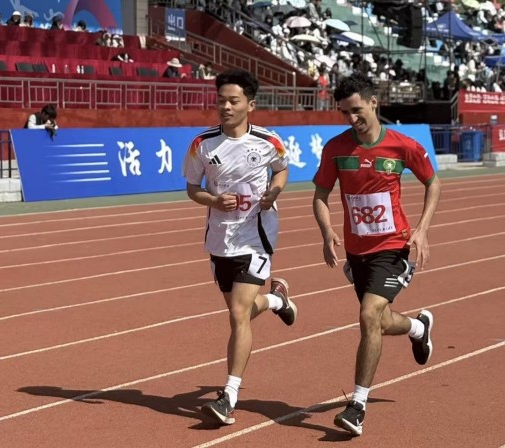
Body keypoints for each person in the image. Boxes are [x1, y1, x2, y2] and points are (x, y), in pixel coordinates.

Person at [312, 72, 441, 437]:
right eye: (344, 112)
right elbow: (320, 195)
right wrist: (327, 231)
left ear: (373, 103)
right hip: (357, 252)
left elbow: (433, 182)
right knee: (380, 321)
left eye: (356, 110)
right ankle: (418, 328)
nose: (351, 118)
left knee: (368, 315)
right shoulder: (336, 149)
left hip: (393, 246)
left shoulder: (403, 146)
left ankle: (357, 406)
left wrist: (422, 229)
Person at [183, 68, 298, 426]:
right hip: (220, 239)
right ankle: (276, 301)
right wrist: (213, 201)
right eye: (221, 101)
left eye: (233, 101)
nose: (226, 107)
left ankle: (228, 397)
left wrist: (274, 192)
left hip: (257, 237)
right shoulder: (202, 144)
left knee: (237, 314)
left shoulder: (268, 141)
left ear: (251, 104)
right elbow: (192, 188)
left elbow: (282, 169)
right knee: (242, 313)